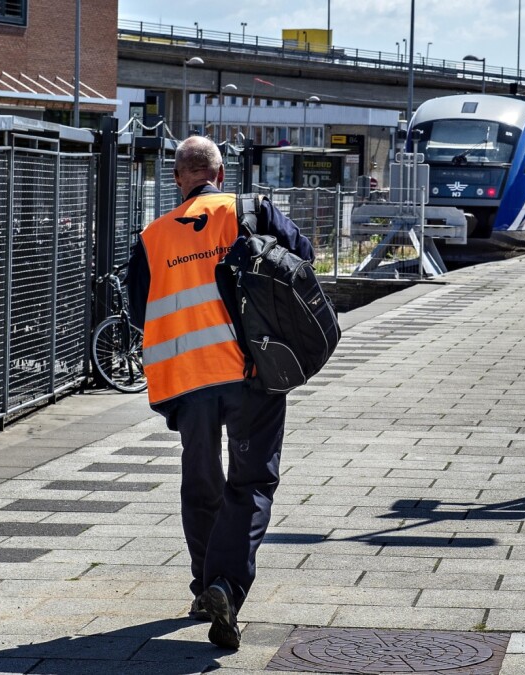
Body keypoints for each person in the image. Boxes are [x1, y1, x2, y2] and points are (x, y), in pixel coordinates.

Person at [127, 136, 314, 650]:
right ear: (221, 175)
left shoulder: (152, 237)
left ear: (176, 180)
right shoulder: (252, 211)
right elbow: (304, 261)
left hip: (186, 379)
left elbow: (141, 309)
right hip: (251, 370)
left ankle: (202, 583)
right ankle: (225, 584)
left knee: (201, 480)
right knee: (252, 482)